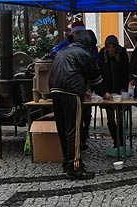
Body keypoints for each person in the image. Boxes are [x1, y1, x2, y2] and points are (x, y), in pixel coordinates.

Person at [49, 30, 105, 180]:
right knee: (74, 130)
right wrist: (104, 93)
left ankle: (67, 162)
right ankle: (75, 167)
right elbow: (95, 78)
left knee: (62, 129)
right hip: (71, 93)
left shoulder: (63, 51)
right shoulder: (84, 53)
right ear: (89, 44)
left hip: (55, 91)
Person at [98, 35, 130, 148]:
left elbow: (126, 73)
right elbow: (99, 73)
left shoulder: (122, 55)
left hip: (119, 91)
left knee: (120, 119)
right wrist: (102, 91)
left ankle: (121, 141)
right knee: (111, 119)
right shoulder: (102, 55)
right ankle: (116, 141)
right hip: (107, 92)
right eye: (109, 47)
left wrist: (124, 88)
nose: (111, 49)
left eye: (113, 47)